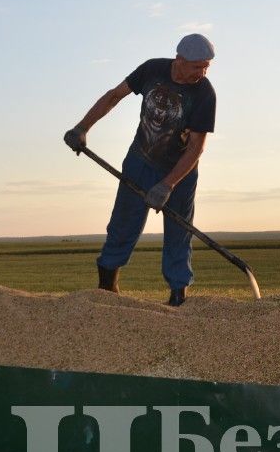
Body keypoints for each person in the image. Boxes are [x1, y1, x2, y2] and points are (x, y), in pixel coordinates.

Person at [64, 34, 217, 306]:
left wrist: (168, 185)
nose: (202, 72)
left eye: (207, 66)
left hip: (180, 171)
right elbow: (113, 97)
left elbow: (195, 148)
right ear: (179, 60)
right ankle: (106, 289)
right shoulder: (152, 70)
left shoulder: (204, 93)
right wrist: (82, 127)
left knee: (178, 233)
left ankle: (178, 297)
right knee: (123, 225)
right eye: (197, 66)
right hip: (140, 160)